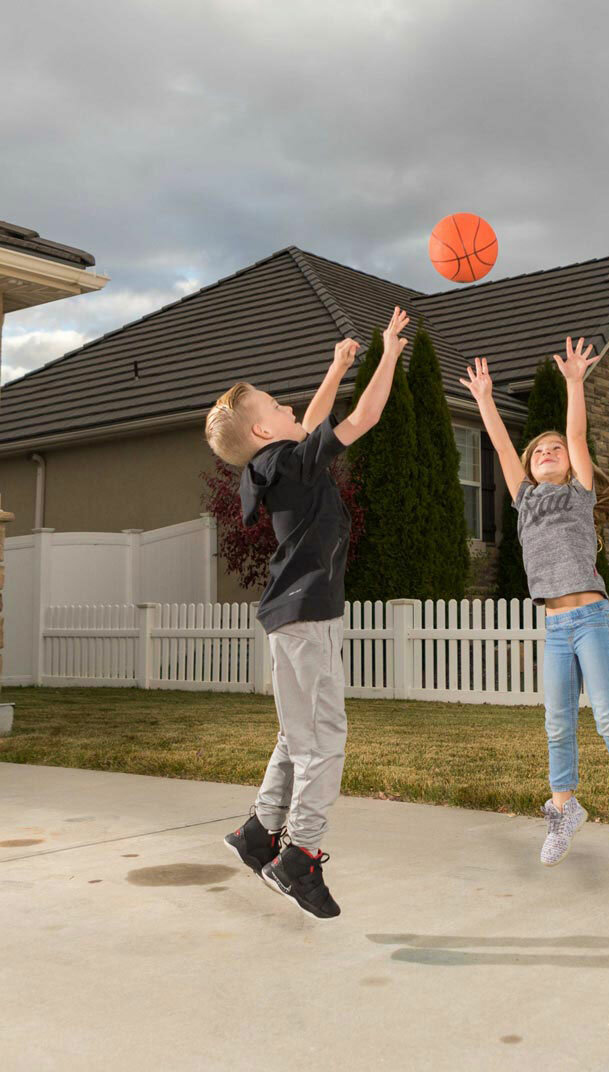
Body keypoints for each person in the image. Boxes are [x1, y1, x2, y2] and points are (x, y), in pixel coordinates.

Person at [205, 306, 410, 918]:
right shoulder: (287, 461)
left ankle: (260, 832)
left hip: (287, 616)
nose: (290, 408)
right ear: (264, 432)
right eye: (275, 406)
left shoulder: (275, 464)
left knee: (296, 736)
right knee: (324, 739)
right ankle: (300, 857)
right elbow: (363, 417)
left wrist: (337, 365)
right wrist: (389, 353)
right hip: (308, 615)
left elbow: (309, 426)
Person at [460, 338, 609, 869]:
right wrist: (484, 398)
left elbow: (576, 433)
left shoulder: (579, 494)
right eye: (540, 451)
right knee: (557, 722)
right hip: (553, 626)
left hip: (593, 619)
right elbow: (504, 451)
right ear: (531, 468)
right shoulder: (525, 497)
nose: (548, 452)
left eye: (556, 450)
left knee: (608, 714)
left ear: (571, 466)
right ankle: (563, 808)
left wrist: (575, 382)